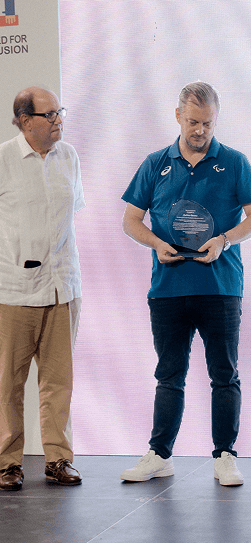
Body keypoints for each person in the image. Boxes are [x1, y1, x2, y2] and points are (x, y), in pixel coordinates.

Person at [120, 82, 251, 486]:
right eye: (193, 122)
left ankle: (225, 456)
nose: (200, 130)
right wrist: (156, 243)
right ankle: (160, 454)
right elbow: (130, 220)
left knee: (224, 374)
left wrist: (224, 240)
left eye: (207, 123)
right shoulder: (155, 163)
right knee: (169, 374)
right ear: (178, 117)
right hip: (168, 288)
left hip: (220, 287)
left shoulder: (234, 161)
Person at [0, 87, 84, 490]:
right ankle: (6, 462)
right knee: (7, 383)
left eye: (59, 112)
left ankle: (58, 459)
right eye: (49, 114)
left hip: (62, 286)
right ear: (25, 120)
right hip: (13, 290)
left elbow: (72, 214)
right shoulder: (4, 159)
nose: (58, 120)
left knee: (59, 382)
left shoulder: (69, 157)